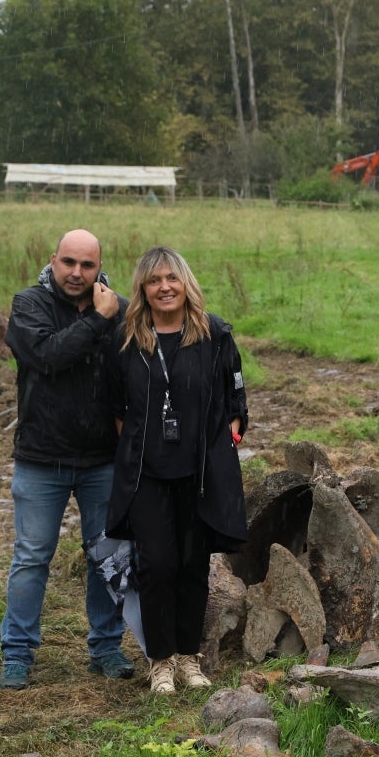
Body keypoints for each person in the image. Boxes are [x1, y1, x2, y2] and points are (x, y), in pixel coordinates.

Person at [107, 246, 248, 694]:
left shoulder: (215, 335)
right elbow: (116, 411)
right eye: (154, 281)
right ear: (143, 291)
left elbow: (235, 402)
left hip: (199, 474)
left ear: (186, 283)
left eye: (171, 278)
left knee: (193, 566)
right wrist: (139, 450)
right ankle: (161, 661)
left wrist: (227, 441)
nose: (164, 287)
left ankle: (189, 658)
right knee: (157, 565)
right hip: (148, 475)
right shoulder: (127, 340)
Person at [0, 229, 133, 690]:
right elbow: (48, 356)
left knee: (108, 557)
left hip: (102, 460)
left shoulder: (122, 313)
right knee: (32, 557)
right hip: (41, 458)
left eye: (87, 265)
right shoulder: (29, 306)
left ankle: (107, 648)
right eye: (69, 263)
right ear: (53, 261)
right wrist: (99, 318)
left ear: (100, 267)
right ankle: (17, 653)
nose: (77, 273)